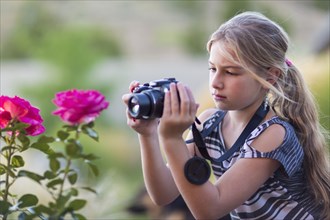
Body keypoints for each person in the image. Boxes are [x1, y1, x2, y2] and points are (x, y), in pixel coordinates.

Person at [122, 11, 330, 219]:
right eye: (213, 69)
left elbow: (211, 209)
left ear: (270, 75)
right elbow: (163, 194)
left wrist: (171, 138)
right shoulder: (208, 124)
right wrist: (147, 134)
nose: (215, 82)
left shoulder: (273, 134)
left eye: (230, 72)